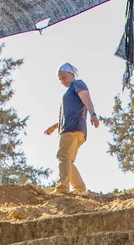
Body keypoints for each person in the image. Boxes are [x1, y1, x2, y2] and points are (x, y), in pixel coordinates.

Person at [44, 63, 99, 194]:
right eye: (60, 79)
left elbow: (86, 98)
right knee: (68, 160)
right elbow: (68, 114)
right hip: (75, 128)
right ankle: (79, 188)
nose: (62, 81)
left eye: (64, 77)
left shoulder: (77, 84)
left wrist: (93, 114)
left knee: (62, 156)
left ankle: (62, 188)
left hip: (71, 128)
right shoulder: (71, 91)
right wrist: (54, 127)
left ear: (72, 74)